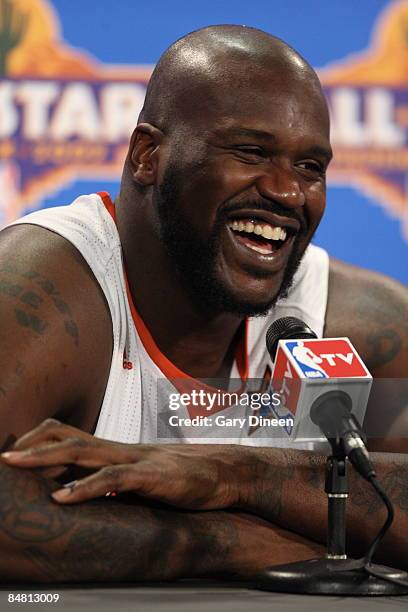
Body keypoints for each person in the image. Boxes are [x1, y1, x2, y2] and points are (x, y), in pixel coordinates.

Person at [0, 25, 407, 583]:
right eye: (251, 152)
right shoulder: (44, 290)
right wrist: (229, 542)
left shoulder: (354, 323)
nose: (288, 193)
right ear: (149, 155)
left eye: (311, 167)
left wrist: (240, 475)